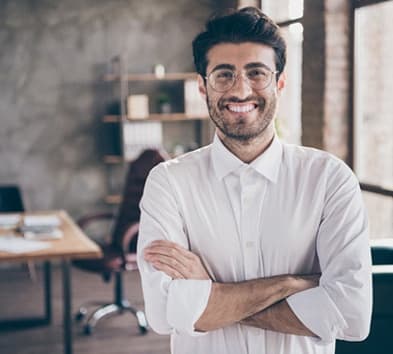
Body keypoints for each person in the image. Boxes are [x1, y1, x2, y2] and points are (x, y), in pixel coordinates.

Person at [137, 6, 372, 354]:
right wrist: (293, 285)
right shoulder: (168, 183)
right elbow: (163, 312)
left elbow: (352, 315)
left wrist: (211, 293)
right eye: (224, 75)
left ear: (279, 82)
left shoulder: (330, 179)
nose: (241, 90)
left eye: (257, 73)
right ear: (203, 87)